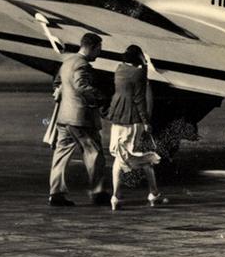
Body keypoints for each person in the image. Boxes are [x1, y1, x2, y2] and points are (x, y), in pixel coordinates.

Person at [47, 33, 109, 207]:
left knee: (61, 155)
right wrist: (100, 97)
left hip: (64, 117)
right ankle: (98, 192)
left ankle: (56, 193)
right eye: (99, 49)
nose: (99, 53)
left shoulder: (67, 62)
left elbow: (57, 83)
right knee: (94, 153)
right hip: (80, 118)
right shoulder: (82, 65)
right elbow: (81, 85)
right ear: (93, 47)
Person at [105, 44, 164, 211]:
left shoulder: (119, 69)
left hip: (117, 117)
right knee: (142, 157)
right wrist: (146, 121)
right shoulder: (139, 72)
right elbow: (139, 99)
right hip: (133, 119)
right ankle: (153, 193)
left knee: (119, 158)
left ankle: (115, 197)